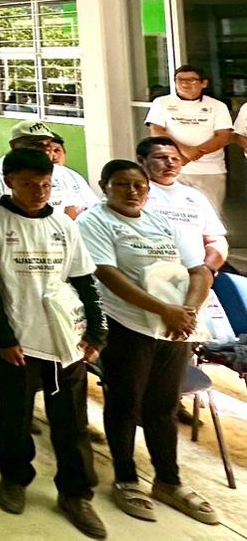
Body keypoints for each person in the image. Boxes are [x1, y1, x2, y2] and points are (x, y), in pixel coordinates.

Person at [0, 148, 106, 537]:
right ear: (9, 181)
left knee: (72, 423)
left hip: (65, 342)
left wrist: (95, 333)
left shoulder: (64, 226)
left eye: (45, 185)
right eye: (29, 184)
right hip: (19, 341)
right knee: (15, 417)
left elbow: (83, 281)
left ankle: (75, 492)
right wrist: (4, 337)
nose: (38, 192)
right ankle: (15, 478)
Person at [80, 160, 219, 526]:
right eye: (122, 184)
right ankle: (126, 478)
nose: (132, 191)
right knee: (125, 403)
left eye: (139, 185)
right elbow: (107, 273)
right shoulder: (94, 221)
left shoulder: (161, 221)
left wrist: (186, 310)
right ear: (103, 186)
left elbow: (199, 270)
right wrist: (164, 309)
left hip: (173, 329)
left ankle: (168, 480)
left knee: (163, 406)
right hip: (126, 327)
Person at [143, 65, 233, 212]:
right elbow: (157, 130)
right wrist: (184, 151)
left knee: (210, 215)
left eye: (191, 80)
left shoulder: (217, 106)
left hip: (209, 170)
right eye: (179, 80)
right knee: (175, 214)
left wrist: (191, 155)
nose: (184, 84)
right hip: (171, 169)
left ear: (204, 83)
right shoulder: (161, 103)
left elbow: (223, 137)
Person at [138, 136, 229, 272]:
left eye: (175, 158)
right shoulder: (133, 193)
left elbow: (215, 240)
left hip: (195, 276)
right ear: (141, 160)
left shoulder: (195, 196)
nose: (170, 163)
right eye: (161, 158)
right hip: (148, 275)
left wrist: (207, 271)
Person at [0, 121, 92, 218]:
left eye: (48, 145)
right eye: (36, 144)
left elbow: (69, 214)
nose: (45, 150)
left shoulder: (61, 173)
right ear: (14, 145)